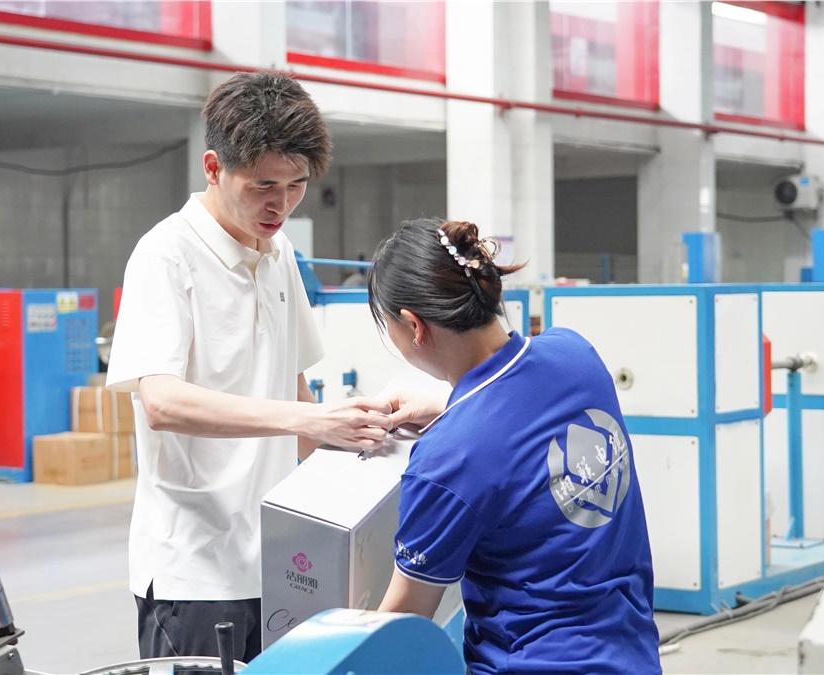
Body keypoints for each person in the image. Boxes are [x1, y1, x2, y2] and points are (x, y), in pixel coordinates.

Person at [106, 71, 392, 664]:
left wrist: (361, 453)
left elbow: (294, 388)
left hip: (279, 558)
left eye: (296, 185)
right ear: (213, 168)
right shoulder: (166, 256)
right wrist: (308, 420)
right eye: (264, 185)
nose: (280, 204)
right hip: (194, 568)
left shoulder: (280, 253)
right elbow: (162, 402)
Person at [370, 219, 661, 674]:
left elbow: (403, 621)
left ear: (413, 325)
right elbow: (519, 418)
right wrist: (452, 410)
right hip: (633, 655)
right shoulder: (576, 355)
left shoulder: (446, 459)